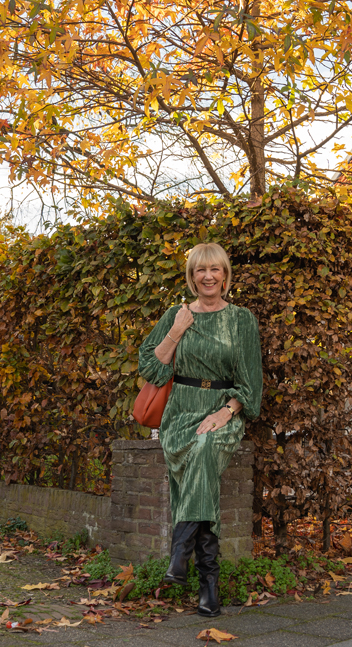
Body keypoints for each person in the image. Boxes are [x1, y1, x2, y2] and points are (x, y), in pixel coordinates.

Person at [138, 242, 262, 617]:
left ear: (225, 275)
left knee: (206, 447)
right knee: (199, 464)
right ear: (192, 277)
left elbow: (250, 382)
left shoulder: (241, 320)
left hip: (222, 409)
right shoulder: (176, 315)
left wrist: (226, 413)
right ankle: (209, 580)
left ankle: (181, 557)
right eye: (200, 270)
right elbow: (151, 367)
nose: (208, 276)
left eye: (215, 269)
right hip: (180, 412)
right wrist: (175, 333)